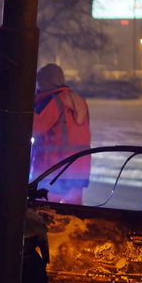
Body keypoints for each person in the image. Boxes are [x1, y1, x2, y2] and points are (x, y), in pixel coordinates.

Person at [31, 63, 91, 204]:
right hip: (79, 169)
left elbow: (35, 128)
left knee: (44, 212)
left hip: (53, 168)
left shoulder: (51, 101)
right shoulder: (79, 100)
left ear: (45, 81)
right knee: (73, 212)